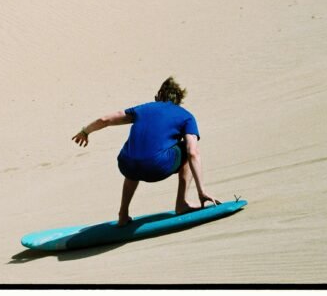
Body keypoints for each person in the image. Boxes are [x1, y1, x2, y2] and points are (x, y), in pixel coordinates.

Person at [71, 77, 221, 226]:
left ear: (157, 97)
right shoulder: (186, 116)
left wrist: (85, 131)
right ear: (179, 101)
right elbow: (192, 152)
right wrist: (201, 191)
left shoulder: (142, 108)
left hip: (125, 165)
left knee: (135, 152)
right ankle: (182, 203)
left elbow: (105, 120)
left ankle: (123, 214)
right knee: (186, 149)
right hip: (156, 167)